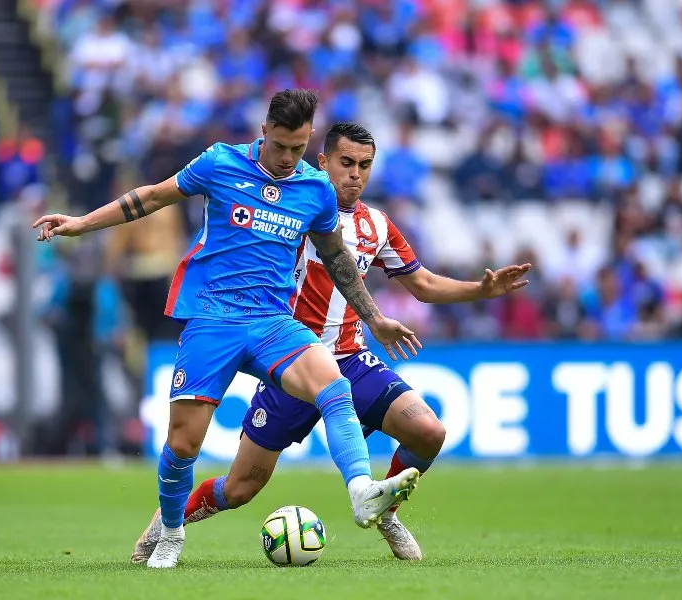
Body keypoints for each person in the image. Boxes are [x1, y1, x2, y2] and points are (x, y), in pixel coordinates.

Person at [33, 90, 422, 568]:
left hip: (273, 323)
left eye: (298, 149)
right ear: (264, 132)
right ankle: (172, 532)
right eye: (280, 146)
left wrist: (374, 317)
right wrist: (79, 224)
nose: (287, 159)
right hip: (213, 319)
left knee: (333, 385)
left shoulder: (316, 189)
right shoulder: (220, 163)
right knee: (183, 443)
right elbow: (152, 197)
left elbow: (338, 259)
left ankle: (362, 491)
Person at [130, 122, 531, 563]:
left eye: (364, 165)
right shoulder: (295, 207)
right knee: (241, 488)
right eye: (346, 163)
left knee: (428, 431)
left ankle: (385, 512)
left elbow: (423, 283)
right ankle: (167, 524)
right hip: (288, 363)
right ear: (322, 162)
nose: (355, 174)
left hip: (350, 360)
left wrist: (481, 289)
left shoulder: (376, 225)